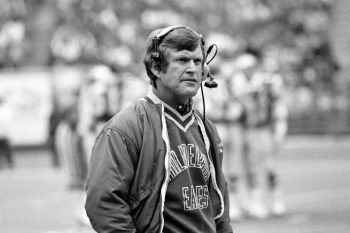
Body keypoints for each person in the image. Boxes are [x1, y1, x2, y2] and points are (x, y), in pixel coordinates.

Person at [85, 25, 233, 233]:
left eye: (198, 61)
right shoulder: (124, 128)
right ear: (156, 67)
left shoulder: (207, 129)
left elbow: (220, 208)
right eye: (182, 60)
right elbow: (104, 205)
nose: (192, 68)